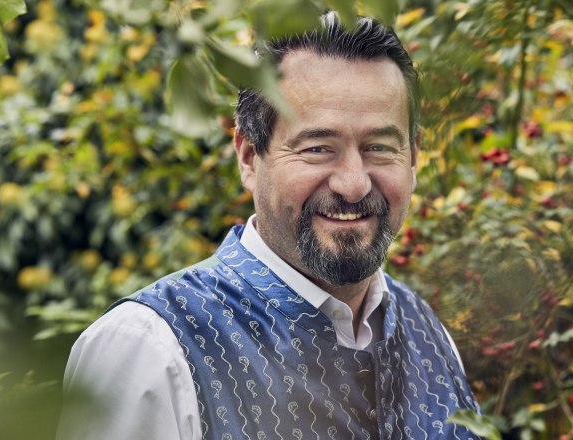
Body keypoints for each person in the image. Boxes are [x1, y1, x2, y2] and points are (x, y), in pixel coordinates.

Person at [56, 12, 482, 440]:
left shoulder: (429, 333)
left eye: (379, 147)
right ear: (247, 156)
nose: (354, 184)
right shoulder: (149, 351)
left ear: (412, 156)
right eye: (317, 148)